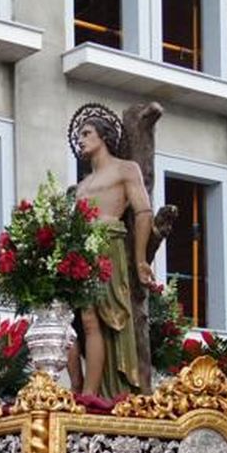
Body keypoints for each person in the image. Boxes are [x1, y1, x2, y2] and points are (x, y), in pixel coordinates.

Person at [68, 104, 155, 397]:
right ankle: (84, 390)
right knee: (82, 320)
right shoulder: (81, 186)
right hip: (82, 254)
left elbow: (143, 212)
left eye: (87, 133)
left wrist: (141, 258)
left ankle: (95, 393)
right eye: (79, 135)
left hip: (109, 247)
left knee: (105, 319)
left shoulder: (125, 169)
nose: (81, 139)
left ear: (103, 136)